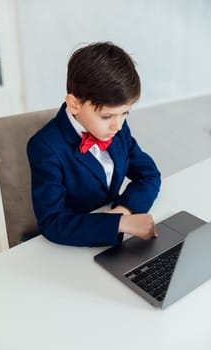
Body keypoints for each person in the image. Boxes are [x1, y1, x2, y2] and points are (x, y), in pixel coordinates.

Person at [27, 42, 161, 247]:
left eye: (125, 113)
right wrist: (118, 224)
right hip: (76, 242)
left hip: (116, 236)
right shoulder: (45, 147)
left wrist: (124, 212)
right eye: (106, 116)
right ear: (74, 104)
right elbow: (52, 222)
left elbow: (149, 174)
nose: (118, 125)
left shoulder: (116, 128)